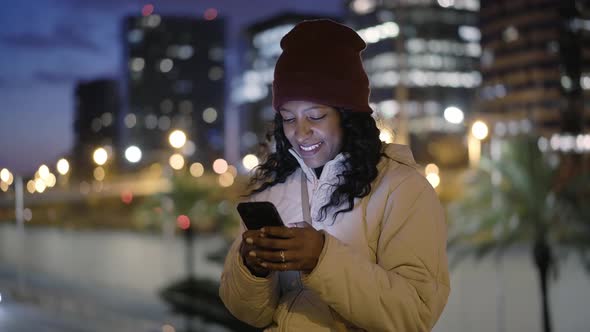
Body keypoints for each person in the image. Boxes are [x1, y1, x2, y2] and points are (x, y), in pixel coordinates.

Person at [219, 19, 449, 331]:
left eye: (315, 116)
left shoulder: (403, 189)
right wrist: (251, 268)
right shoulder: (272, 190)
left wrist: (322, 258)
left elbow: (415, 316)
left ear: (348, 115)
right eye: (288, 118)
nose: (300, 132)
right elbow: (249, 313)